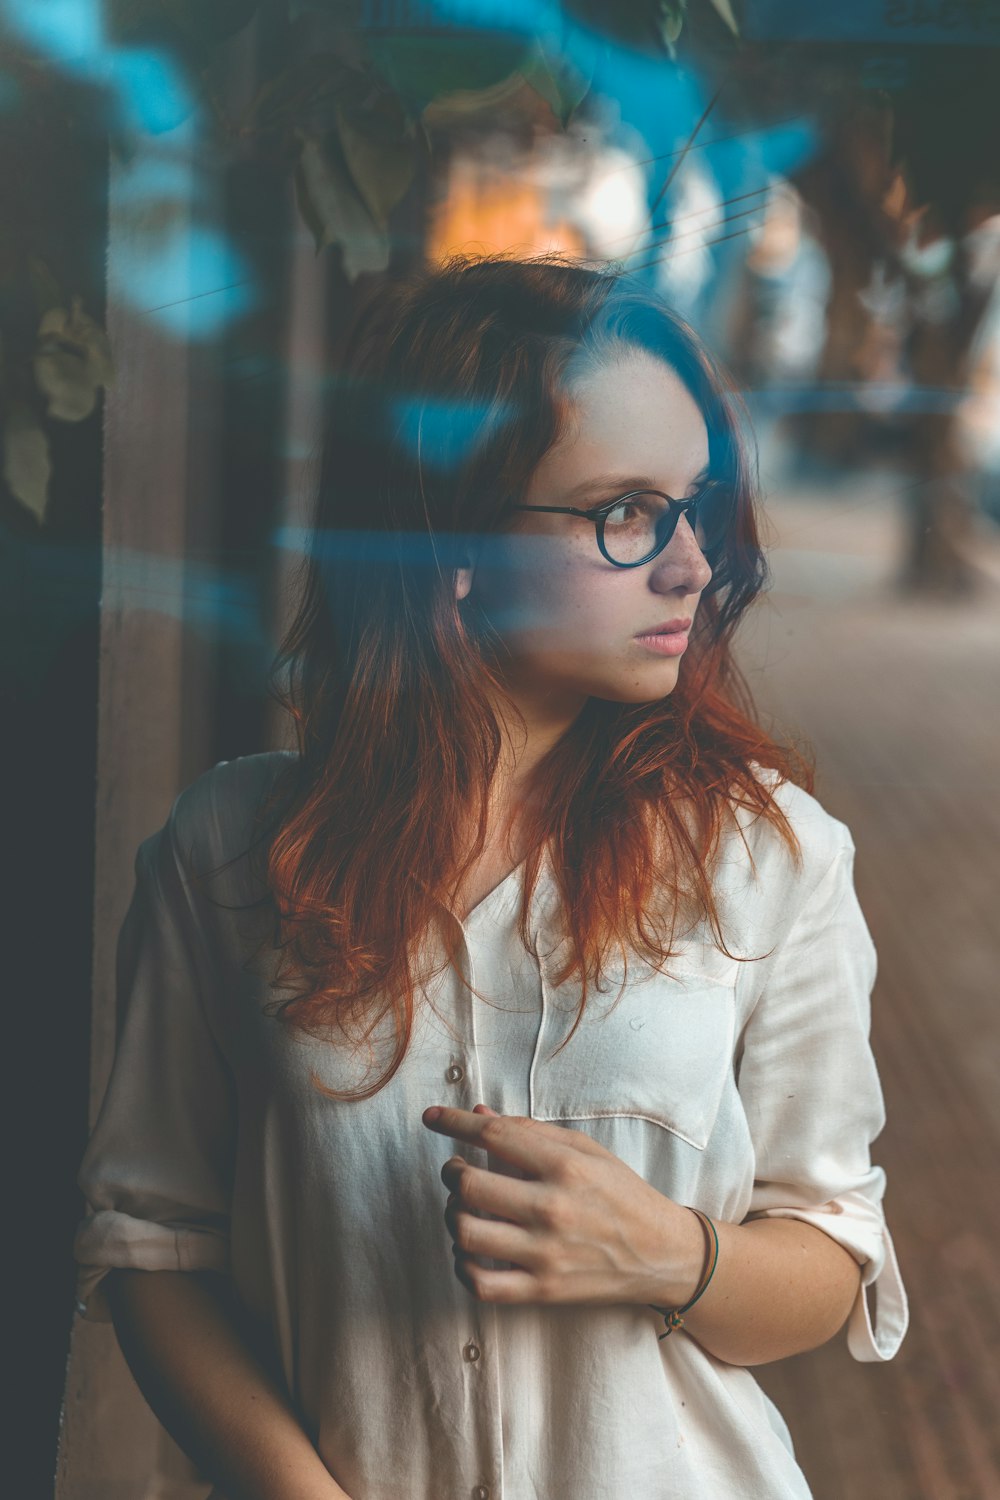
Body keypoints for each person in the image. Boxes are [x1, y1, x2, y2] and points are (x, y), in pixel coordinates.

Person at [73, 253, 908, 1500]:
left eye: (693, 504)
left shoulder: (770, 856)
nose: (688, 564)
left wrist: (667, 1254)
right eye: (626, 513)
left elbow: (832, 1254)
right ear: (450, 536)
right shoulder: (229, 850)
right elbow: (156, 1250)